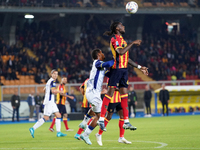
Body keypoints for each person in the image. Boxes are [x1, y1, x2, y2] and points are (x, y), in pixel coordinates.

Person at [99, 21, 148, 131]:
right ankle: (101, 118)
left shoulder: (122, 40)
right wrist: (133, 43)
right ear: (117, 28)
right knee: (110, 93)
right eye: (122, 25)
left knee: (124, 95)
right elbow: (120, 52)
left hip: (124, 70)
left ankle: (126, 121)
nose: (124, 26)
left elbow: (127, 58)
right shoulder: (114, 39)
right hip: (116, 69)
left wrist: (140, 67)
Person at [79, 48, 114, 145]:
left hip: (92, 93)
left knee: (95, 110)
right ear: (98, 54)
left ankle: (84, 122)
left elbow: (109, 74)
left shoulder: (100, 67)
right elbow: (107, 64)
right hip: (93, 93)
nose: (103, 54)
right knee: (100, 116)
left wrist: (114, 70)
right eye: (102, 52)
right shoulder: (97, 62)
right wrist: (116, 59)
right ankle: (86, 134)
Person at [29, 70, 67, 138]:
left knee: (58, 115)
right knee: (45, 118)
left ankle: (58, 132)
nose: (55, 75)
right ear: (51, 74)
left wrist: (47, 96)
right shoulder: (52, 81)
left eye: (57, 74)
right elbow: (53, 91)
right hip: (49, 102)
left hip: (51, 102)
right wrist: (60, 91)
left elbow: (44, 90)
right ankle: (33, 128)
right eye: (54, 74)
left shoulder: (49, 81)